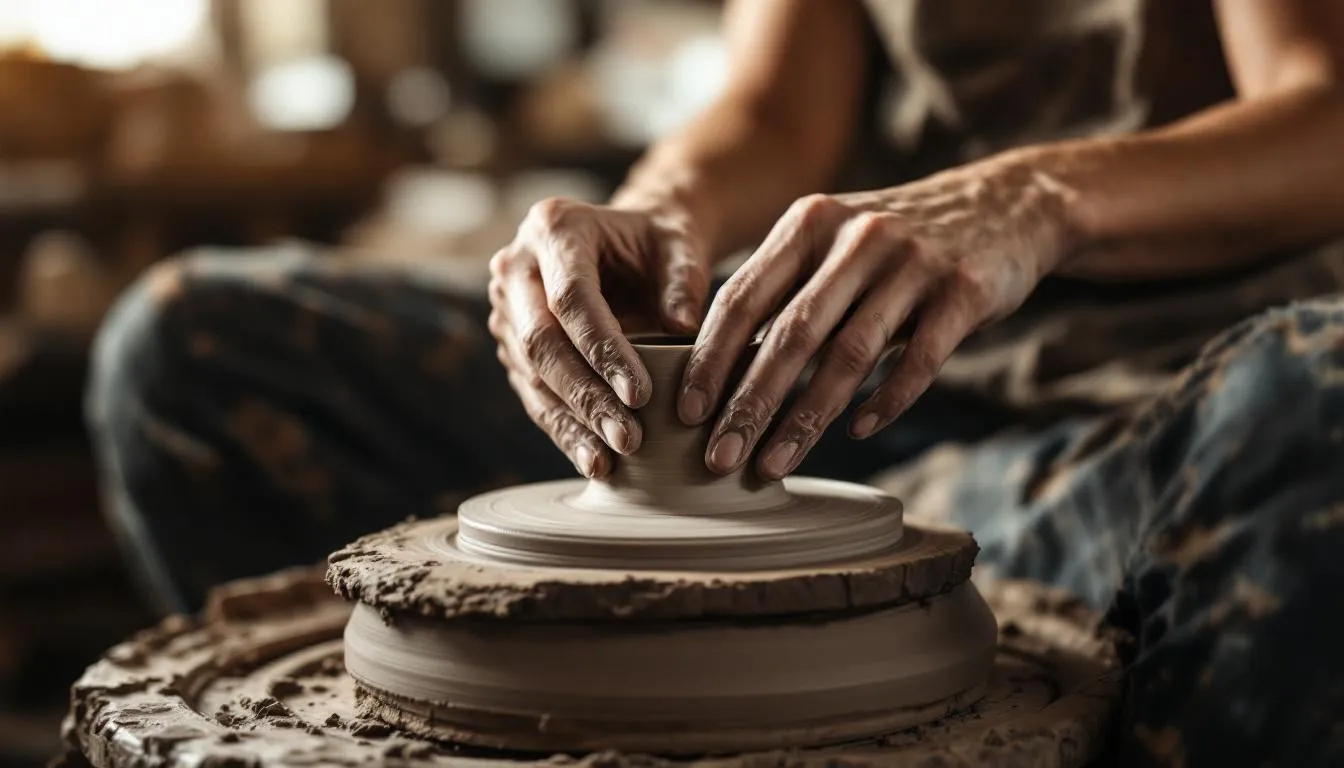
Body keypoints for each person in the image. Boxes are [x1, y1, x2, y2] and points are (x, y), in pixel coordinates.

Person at [89, 0, 1344, 764]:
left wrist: (1029, 198)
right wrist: (658, 215)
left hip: (1143, 430)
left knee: (1323, 395)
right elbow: (770, 112)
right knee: (190, 349)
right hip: (822, 396)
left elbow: (1323, 105)